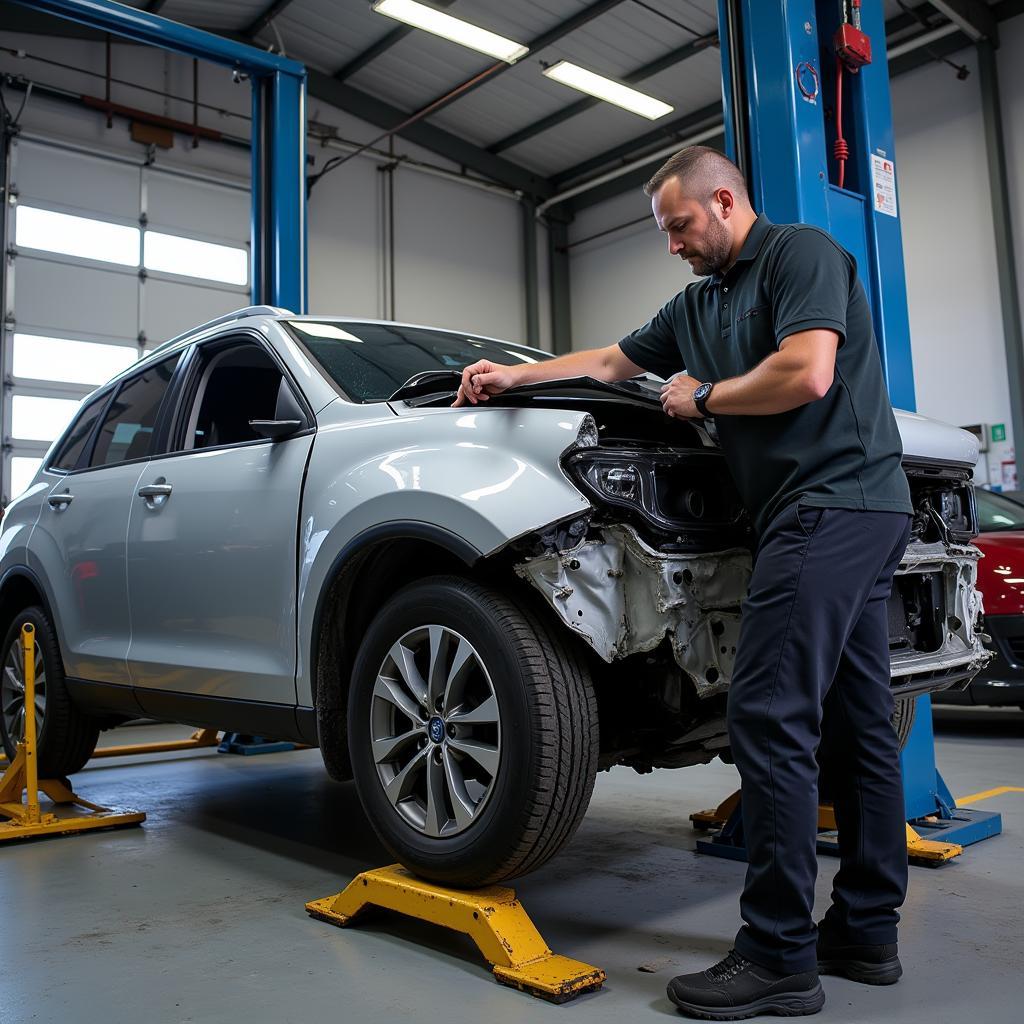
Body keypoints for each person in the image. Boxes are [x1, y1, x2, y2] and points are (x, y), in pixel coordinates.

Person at [454, 146, 914, 1020]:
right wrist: (512, 374)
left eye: (679, 226)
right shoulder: (698, 303)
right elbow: (607, 364)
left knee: (770, 715)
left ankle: (779, 955)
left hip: (834, 505)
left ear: (726, 200)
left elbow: (809, 371)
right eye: (665, 232)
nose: (672, 245)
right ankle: (865, 931)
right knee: (857, 725)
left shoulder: (798, 254)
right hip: (835, 513)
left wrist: (702, 399)